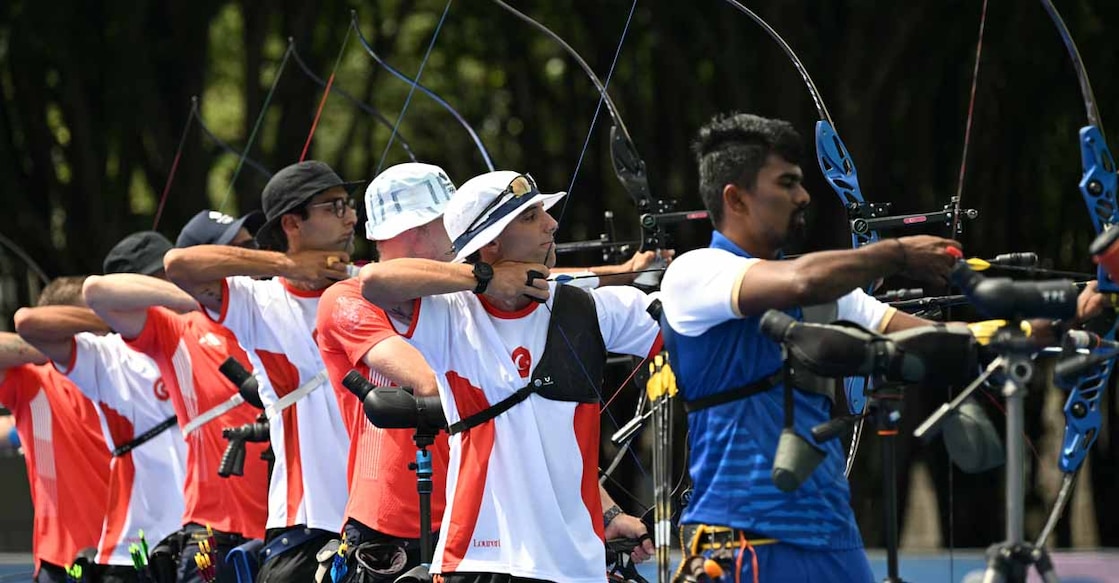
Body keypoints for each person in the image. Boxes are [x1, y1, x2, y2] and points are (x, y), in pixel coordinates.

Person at [656, 112, 1103, 582]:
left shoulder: (829, 294)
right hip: (742, 547)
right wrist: (898, 253)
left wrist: (1054, 323)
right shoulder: (695, 273)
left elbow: (947, 342)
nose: (803, 196)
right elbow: (802, 279)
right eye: (786, 183)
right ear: (736, 198)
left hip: (834, 542)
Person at [359, 170, 657, 583]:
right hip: (480, 560)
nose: (552, 224)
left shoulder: (592, 309)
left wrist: (608, 513)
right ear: (492, 241)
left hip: (577, 564)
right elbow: (373, 282)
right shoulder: (450, 315)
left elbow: (690, 325)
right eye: (531, 216)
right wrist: (486, 278)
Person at [164, 161, 362, 581]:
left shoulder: (371, 286)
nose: (352, 216)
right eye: (336, 206)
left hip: (383, 519)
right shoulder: (260, 302)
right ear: (292, 222)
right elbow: (179, 264)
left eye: (350, 205)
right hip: (308, 525)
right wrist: (291, 267)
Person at [82, 210, 269, 583]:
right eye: (236, 251)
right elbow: (97, 292)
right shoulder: (180, 328)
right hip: (210, 535)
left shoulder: (271, 314)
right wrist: (194, 296)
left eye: (253, 247)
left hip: (285, 526)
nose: (252, 257)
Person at [15, 232, 187, 581]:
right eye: (157, 283)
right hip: (119, 548)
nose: (169, 290)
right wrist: (120, 324)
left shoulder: (193, 343)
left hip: (195, 534)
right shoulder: (104, 360)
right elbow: (29, 323)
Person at [0, 277, 110, 583]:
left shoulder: (124, 372)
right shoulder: (36, 382)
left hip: (133, 551)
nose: (105, 332)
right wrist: (58, 348)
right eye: (87, 320)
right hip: (64, 561)